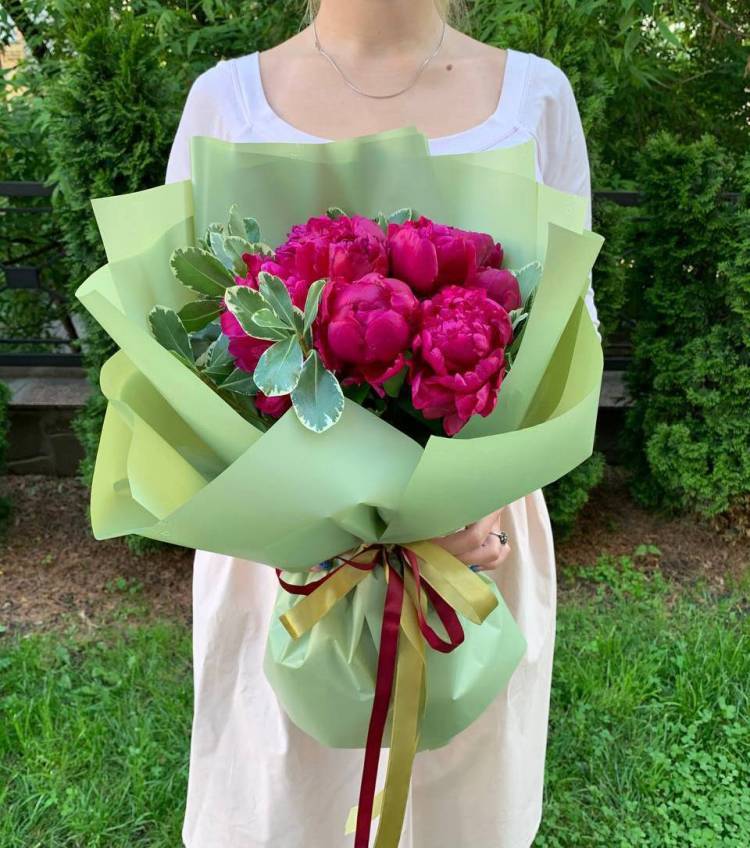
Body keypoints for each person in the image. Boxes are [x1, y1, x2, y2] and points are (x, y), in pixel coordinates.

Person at [165, 1, 600, 845]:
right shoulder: (225, 101)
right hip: (279, 570)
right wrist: (298, 517)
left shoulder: (536, 99)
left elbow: (568, 332)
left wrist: (483, 492)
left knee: (461, 813)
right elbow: (190, 344)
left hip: (476, 548)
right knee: (280, 809)